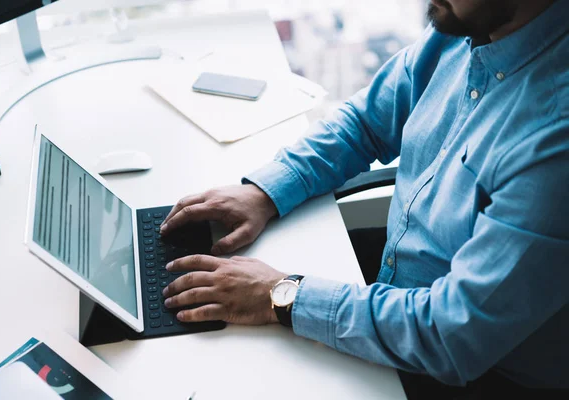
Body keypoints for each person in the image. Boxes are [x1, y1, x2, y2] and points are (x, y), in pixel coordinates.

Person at [159, 0, 569, 398]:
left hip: (481, 372)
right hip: (399, 280)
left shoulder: (554, 137)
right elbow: (365, 122)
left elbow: (452, 334)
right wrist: (264, 192)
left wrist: (281, 295)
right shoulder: (466, 25)